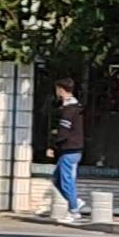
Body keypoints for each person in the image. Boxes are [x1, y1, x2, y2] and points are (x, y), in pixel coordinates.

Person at [51, 78, 86, 223]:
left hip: (70, 151)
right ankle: (75, 202)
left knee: (66, 181)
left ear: (60, 89)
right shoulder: (74, 108)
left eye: (57, 89)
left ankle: (74, 212)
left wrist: (53, 146)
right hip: (70, 150)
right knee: (57, 179)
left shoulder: (69, 111)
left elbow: (63, 133)